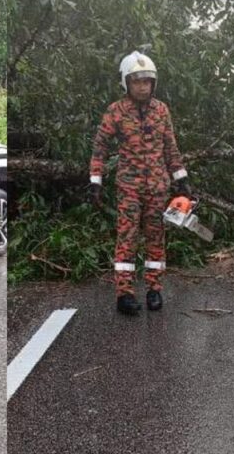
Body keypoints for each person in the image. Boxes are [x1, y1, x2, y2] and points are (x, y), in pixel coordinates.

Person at [89, 51, 190, 315]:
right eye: (137, 81)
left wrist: (182, 179)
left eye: (147, 81)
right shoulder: (116, 111)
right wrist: (96, 181)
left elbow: (170, 148)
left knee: (156, 238)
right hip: (129, 188)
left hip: (158, 187)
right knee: (128, 238)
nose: (143, 86)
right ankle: (124, 294)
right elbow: (100, 147)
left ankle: (154, 289)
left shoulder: (161, 110)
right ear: (126, 82)